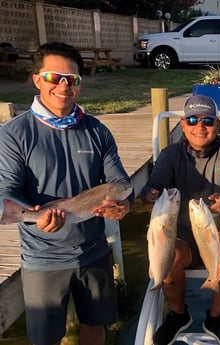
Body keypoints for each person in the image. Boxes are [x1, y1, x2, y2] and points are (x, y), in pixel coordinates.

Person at [0, 42, 133, 345]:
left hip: (94, 251)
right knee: (46, 338)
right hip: (43, 257)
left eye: (71, 80)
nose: (63, 86)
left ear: (79, 85)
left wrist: (123, 205)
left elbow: (122, 182)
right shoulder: (13, 134)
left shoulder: (97, 131)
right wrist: (34, 216)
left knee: (95, 327)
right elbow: (5, 190)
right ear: (37, 79)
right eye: (53, 77)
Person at [141, 95, 220, 345]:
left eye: (208, 121)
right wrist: (150, 195)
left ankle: (217, 318)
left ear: (218, 125)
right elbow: (154, 184)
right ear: (184, 125)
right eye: (193, 120)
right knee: (168, 258)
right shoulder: (170, 154)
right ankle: (178, 314)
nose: (200, 126)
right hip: (183, 233)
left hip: (218, 231)